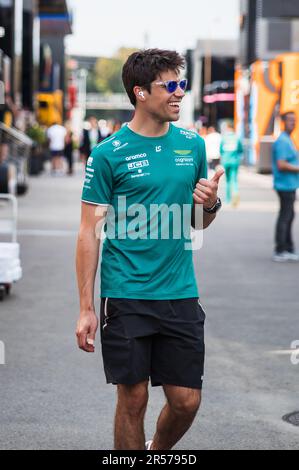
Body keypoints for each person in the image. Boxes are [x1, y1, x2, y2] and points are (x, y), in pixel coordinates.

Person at [76, 48, 224, 451]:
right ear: (140, 92)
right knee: (133, 397)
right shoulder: (108, 154)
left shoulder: (192, 146)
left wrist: (208, 204)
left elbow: (197, 224)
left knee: (186, 400)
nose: (179, 93)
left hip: (180, 292)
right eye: (170, 85)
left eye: (182, 84)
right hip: (126, 294)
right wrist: (87, 307)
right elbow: (88, 232)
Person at [272, 112, 299, 262]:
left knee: (289, 216)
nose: (293, 123)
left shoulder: (288, 139)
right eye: (290, 120)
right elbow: (281, 164)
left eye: (295, 121)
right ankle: (281, 249)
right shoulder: (283, 141)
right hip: (285, 185)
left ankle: (288, 247)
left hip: (290, 184)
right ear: (283, 122)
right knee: (285, 216)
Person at [220, 123, 243, 206]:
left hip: (226, 161)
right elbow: (240, 150)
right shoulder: (237, 138)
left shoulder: (224, 138)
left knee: (227, 181)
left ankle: (228, 199)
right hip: (235, 162)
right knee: (234, 180)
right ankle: (235, 195)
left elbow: (221, 150)